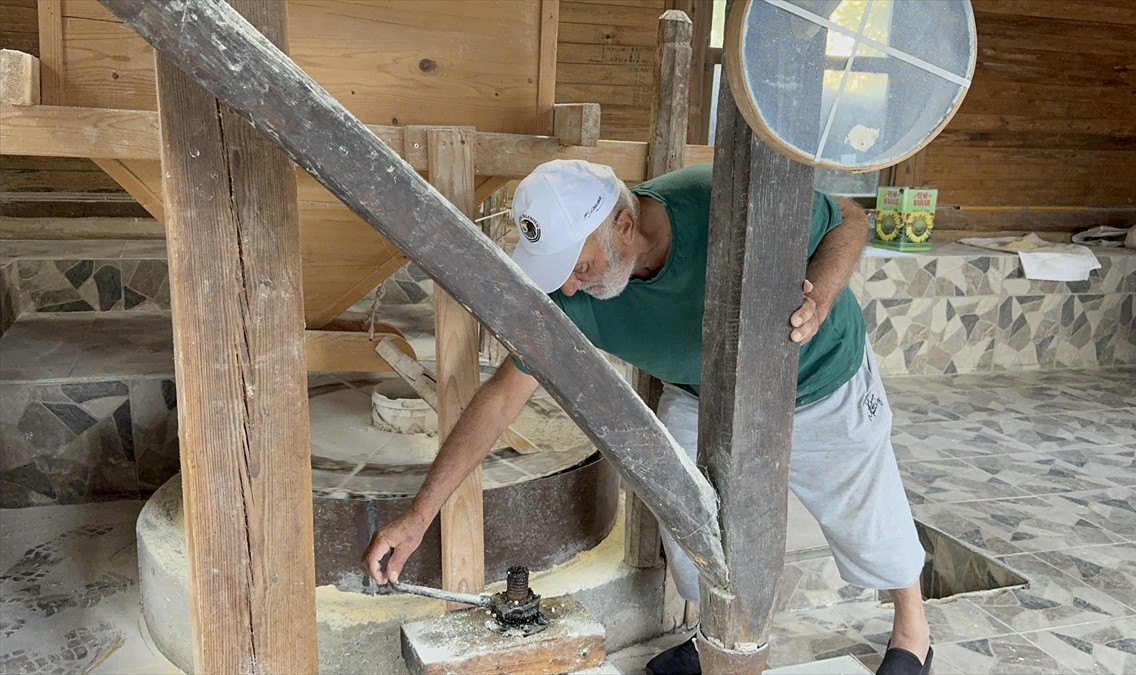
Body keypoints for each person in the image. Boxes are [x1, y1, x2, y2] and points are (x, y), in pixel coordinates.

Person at [363, 159, 931, 675]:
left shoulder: (717, 200)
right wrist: (419, 514)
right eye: (558, 271)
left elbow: (848, 217)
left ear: (623, 226)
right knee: (684, 509)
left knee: (864, 508)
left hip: (819, 373)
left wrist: (821, 295)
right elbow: (500, 399)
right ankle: (715, 634)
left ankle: (913, 632)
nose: (569, 285)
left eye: (579, 266)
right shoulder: (568, 293)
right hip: (704, 391)